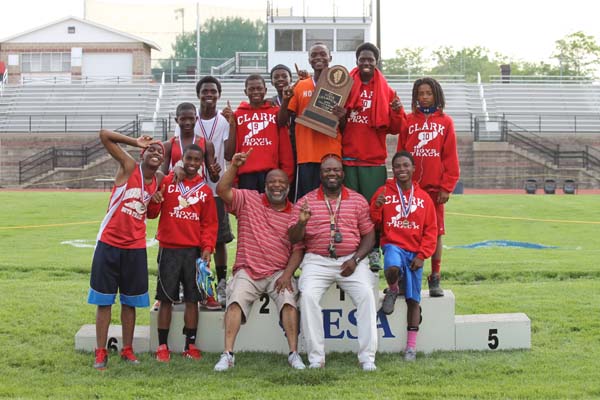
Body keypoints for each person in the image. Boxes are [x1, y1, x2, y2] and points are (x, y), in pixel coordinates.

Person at [213, 149, 306, 372]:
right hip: (249, 270)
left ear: (288, 186)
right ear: (265, 186)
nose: (277, 186)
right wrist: (234, 166)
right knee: (235, 299)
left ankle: (294, 353)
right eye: (272, 182)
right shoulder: (249, 199)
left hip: (278, 273)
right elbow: (222, 190)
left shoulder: (295, 212)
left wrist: (286, 275)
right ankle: (227, 354)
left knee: (289, 302)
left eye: (281, 182)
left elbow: (298, 250)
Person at [288, 154, 378, 371]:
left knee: (367, 293)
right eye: (327, 170)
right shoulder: (305, 201)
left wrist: (356, 259)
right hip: (317, 261)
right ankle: (317, 358)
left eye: (336, 170)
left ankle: (367, 358)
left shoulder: (357, 200)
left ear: (342, 173)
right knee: (308, 295)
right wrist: (302, 223)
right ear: (320, 174)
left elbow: (369, 236)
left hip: (351, 260)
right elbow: (293, 238)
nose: (332, 174)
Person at [87, 129, 164, 370]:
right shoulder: (129, 166)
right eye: (151, 149)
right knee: (104, 301)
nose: (155, 153)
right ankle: (100, 351)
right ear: (142, 154)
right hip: (109, 243)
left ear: (162, 159)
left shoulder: (159, 179)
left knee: (130, 302)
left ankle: (127, 349)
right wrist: (134, 141)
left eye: (159, 151)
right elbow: (104, 136)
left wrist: (156, 202)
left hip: (135, 247)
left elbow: (149, 214)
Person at [147, 143, 218, 362]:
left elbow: (209, 224)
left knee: (192, 300)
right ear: (182, 159)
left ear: (202, 163)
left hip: (193, 252)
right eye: (189, 159)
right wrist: (154, 201)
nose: (193, 164)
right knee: (165, 299)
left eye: (197, 160)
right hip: (169, 249)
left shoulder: (205, 191)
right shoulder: (168, 182)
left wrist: (207, 248)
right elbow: (152, 214)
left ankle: (190, 344)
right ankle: (162, 345)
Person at [341, 42, 405, 271]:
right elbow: (333, 120)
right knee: (350, 210)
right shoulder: (345, 84)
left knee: (375, 209)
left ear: (376, 62)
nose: (366, 63)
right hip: (348, 158)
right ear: (357, 61)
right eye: (362, 60)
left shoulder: (387, 90)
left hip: (373, 161)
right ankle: (352, 249)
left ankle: (374, 250)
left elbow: (396, 127)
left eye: (370, 60)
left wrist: (397, 110)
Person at [369, 151, 438, 361]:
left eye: (405, 165)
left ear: (413, 168)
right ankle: (392, 289)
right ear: (393, 169)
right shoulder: (383, 192)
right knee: (391, 267)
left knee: (413, 301)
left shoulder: (424, 198)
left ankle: (410, 347)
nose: (401, 169)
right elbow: (374, 221)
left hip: (415, 252)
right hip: (393, 245)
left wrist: (422, 254)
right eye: (397, 166)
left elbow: (431, 230)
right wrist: (377, 206)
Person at [397, 77, 460, 297]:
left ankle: (435, 278)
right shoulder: (407, 120)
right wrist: (400, 182)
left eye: (428, 93)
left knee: (436, 233)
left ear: (436, 95)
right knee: (407, 231)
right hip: (411, 188)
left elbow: (450, 157)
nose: (424, 97)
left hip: (434, 190)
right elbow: (401, 153)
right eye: (420, 94)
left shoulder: (445, 122)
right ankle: (405, 278)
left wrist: (447, 186)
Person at [167, 100, 225, 310]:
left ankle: (207, 293)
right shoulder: (170, 144)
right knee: (176, 249)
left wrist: (217, 171)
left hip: (200, 199)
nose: (188, 122)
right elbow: (162, 175)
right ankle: (174, 290)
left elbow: (213, 175)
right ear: (177, 120)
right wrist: (176, 170)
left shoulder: (205, 144)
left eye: (192, 118)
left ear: (197, 118)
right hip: (177, 202)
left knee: (204, 246)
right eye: (183, 118)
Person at [279, 42, 346, 201]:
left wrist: (342, 116)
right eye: (314, 55)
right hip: (307, 155)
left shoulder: (340, 85)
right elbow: (282, 121)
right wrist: (285, 100)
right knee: (307, 204)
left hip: (332, 155)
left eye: (323, 54)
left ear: (330, 57)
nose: (318, 58)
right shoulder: (301, 86)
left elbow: (344, 127)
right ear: (309, 60)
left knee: (332, 201)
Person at [194, 76, 236, 308]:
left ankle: (221, 283)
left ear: (219, 95)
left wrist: (232, 125)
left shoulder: (223, 120)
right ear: (198, 94)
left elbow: (229, 154)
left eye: (213, 91)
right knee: (192, 239)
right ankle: (193, 282)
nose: (209, 95)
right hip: (193, 190)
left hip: (217, 190)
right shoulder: (191, 120)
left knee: (220, 240)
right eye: (205, 91)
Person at [230, 74, 294, 192]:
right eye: (252, 89)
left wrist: (287, 173)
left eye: (259, 88)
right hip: (246, 175)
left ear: (265, 90)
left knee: (270, 210)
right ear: (245, 91)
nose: (256, 92)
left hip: (271, 174)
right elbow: (235, 149)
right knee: (248, 210)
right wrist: (234, 179)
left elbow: (284, 146)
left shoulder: (275, 112)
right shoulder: (237, 114)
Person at [270, 64, 298, 202]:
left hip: (297, 148)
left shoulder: (297, 97)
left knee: (295, 188)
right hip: (278, 150)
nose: (280, 79)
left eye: (284, 76)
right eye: (276, 77)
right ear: (271, 81)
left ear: (291, 79)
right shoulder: (269, 103)